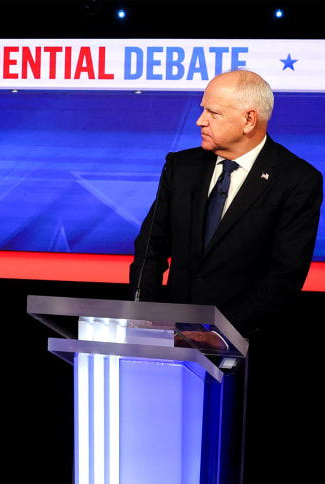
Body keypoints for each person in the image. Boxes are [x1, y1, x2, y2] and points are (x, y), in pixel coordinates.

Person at [130, 70, 322, 481]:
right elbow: (151, 246)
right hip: (169, 349)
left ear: (250, 119)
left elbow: (284, 275)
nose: (200, 120)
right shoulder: (181, 166)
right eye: (203, 109)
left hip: (246, 353)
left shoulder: (298, 180)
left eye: (213, 112)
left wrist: (217, 332)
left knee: (226, 461)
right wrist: (143, 314)